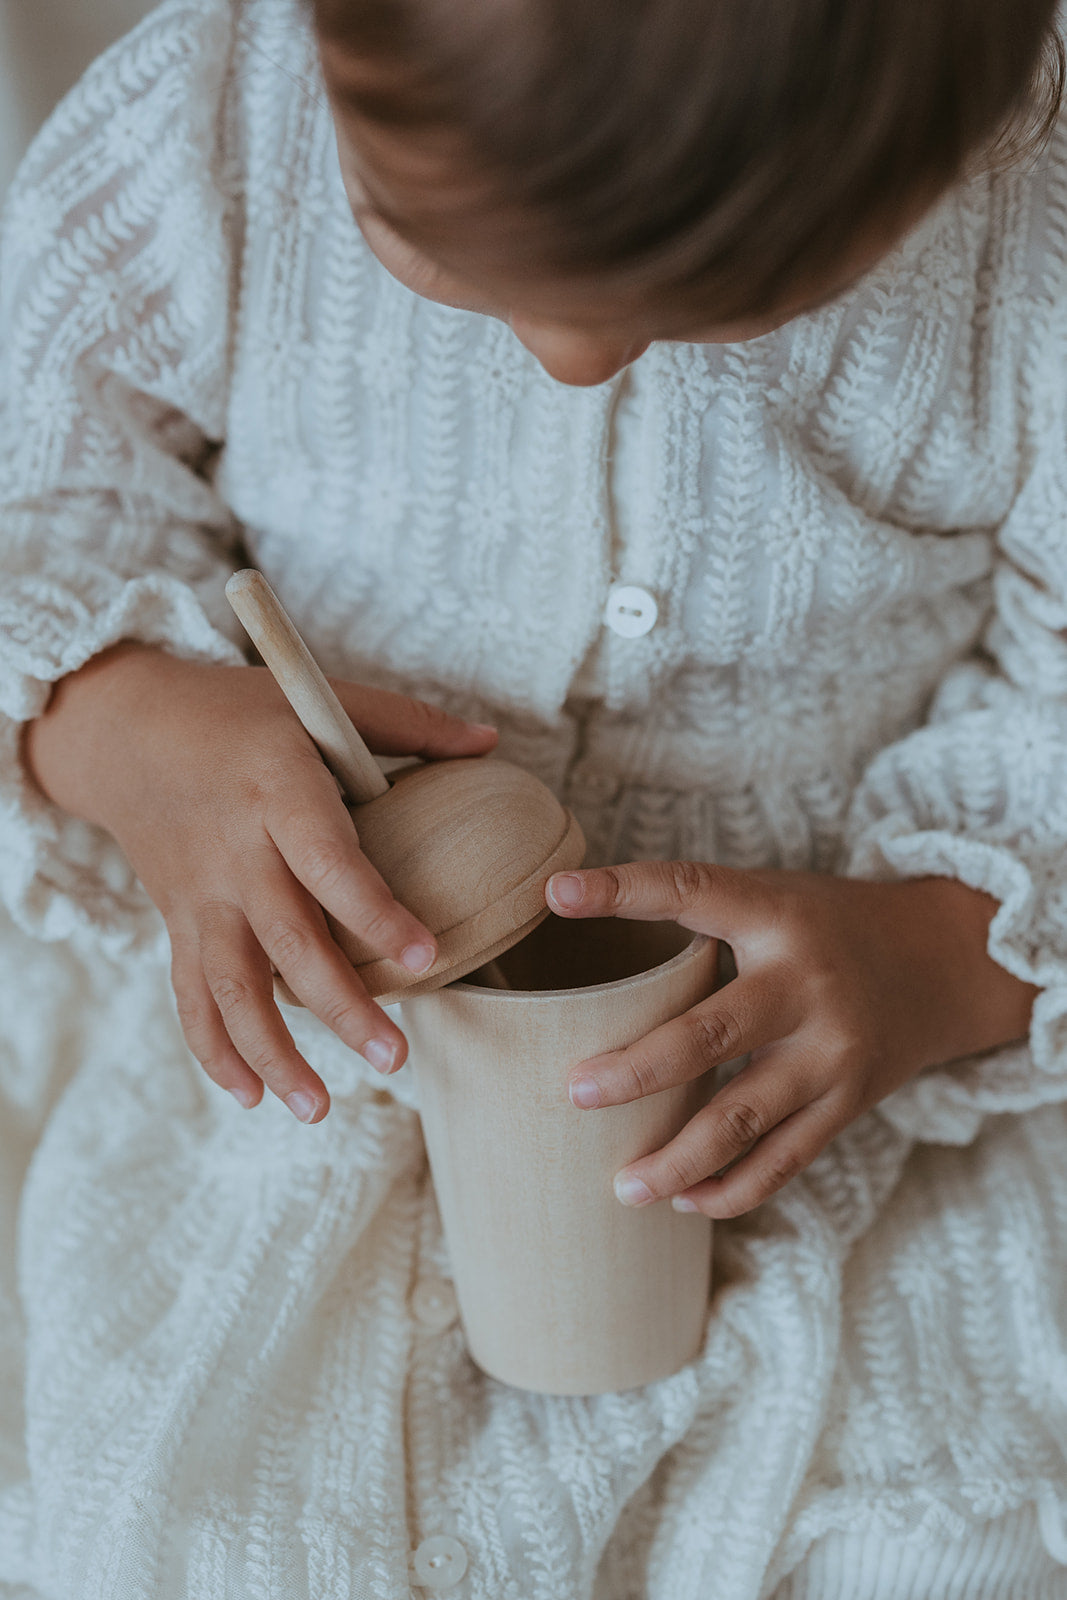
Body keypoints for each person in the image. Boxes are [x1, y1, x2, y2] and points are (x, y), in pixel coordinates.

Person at [1, 0, 1066, 1592]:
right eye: (425, 246)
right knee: (180, 1522)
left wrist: (936, 956)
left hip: (844, 1041)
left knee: (942, 1528)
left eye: (731, 302)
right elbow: (39, 491)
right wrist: (124, 726)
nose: (571, 357)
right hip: (304, 1002)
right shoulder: (215, 122)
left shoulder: (1028, 237)